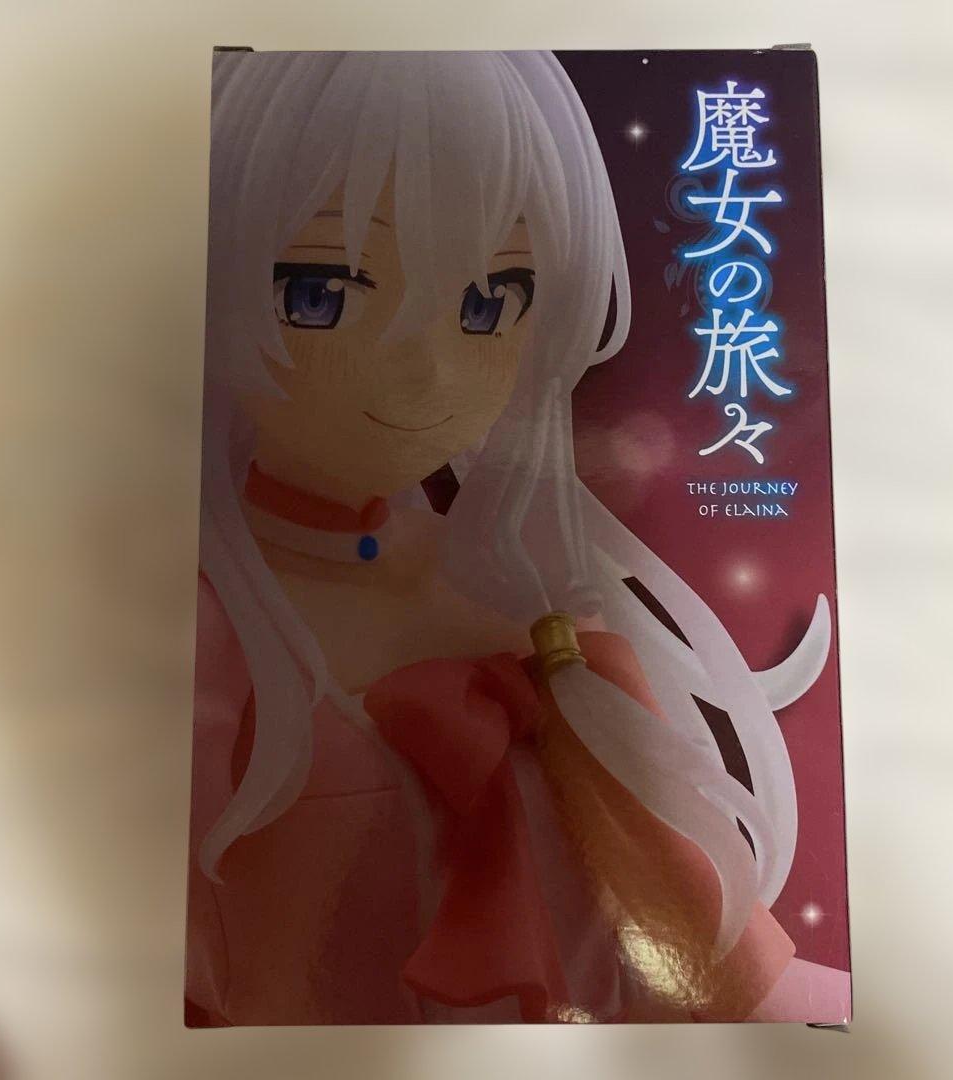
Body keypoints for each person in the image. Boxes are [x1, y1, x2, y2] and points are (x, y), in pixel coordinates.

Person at [186, 49, 846, 1025]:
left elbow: (701, 955)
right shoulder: (204, 631)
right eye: (322, 292)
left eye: (489, 304)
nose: (430, 373)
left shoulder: (525, 592)